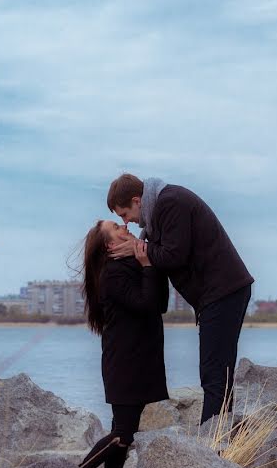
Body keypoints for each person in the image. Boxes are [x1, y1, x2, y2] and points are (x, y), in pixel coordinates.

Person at [106, 174, 253, 424]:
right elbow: (163, 255)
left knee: (214, 373)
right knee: (217, 372)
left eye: (124, 214)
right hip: (219, 294)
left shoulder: (170, 202)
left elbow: (174, 256)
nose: (126, 222)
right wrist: (141, 248)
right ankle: (222, 439)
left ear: (137, 200)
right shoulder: (160, 212)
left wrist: (137, 248)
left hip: (223, 292)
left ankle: (212, 448)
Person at [78, 219, 169, 468]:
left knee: (124, 433)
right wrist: (147, 264)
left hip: (138, 360)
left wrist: (148, 263)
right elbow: (145, 303)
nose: (125, 227)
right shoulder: (113, 273)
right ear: (109, 244)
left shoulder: (128, 265)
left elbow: (160, 304)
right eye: (117, 228)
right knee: (122, 434)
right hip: (126, 364)